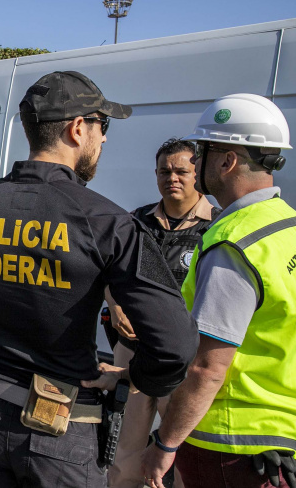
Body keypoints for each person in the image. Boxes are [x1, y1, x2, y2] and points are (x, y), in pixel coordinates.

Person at [0, 71, 199, 487]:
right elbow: (176, 344)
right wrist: (136, 379)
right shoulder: (110, 223)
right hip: (62, 436)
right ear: (77, 128)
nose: (104, 140)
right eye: (103, 127)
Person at [141, 94, 296, 488]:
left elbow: (208, 366)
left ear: (228, 160)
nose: (194, 162)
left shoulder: (234, 243)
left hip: (233, 448)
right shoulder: (294, 227)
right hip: (289, 440)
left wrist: (164, 446)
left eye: (201, 151)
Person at [108, 138, 219, 488]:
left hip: (187, 359)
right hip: (135, 353)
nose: (172, 177)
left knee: (182, 455)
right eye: (164, 171)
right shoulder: (137, 222)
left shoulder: (217, 225)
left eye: (181, 171)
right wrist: (115, 305)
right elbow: (110, 271)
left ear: (197, 173)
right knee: (125, 452)